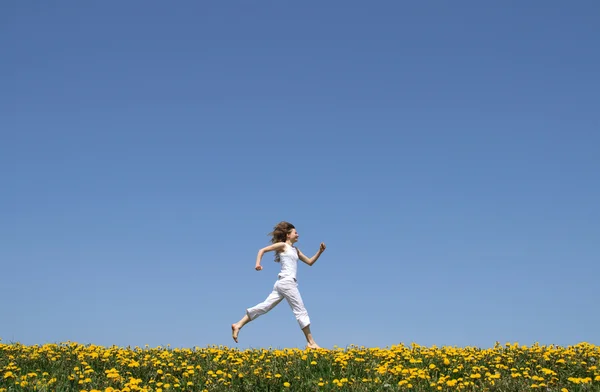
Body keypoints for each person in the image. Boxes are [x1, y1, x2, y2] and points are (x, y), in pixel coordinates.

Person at [231, 221, 326, 349]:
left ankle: (238, 324)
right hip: (287, 282)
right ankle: (311, 343)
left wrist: (319, 252)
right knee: (300, 310)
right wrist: (257, 264)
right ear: (288, 235)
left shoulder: (296, 250)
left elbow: (309, 262)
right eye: (295, 232)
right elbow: (262, 250)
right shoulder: (283, 246)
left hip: (283, 284)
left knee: (265, 306)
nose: (298, 234)